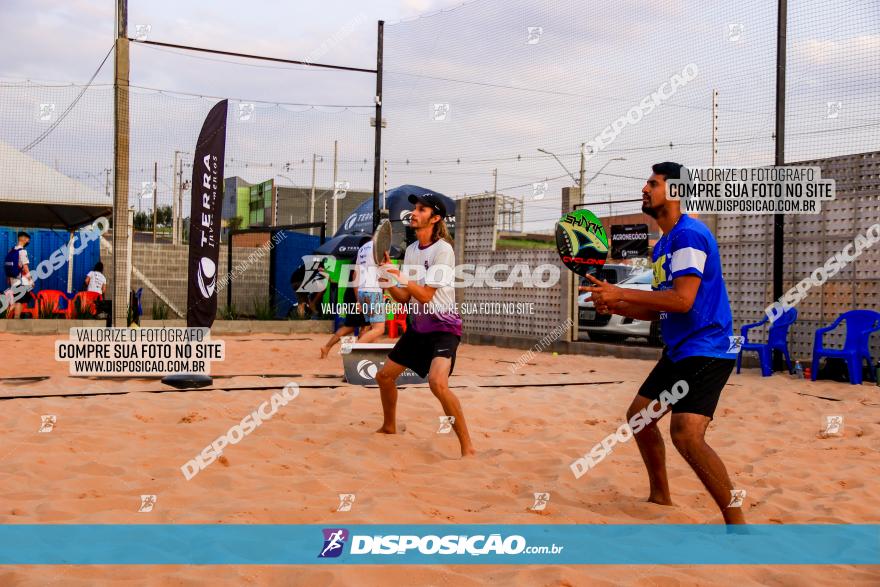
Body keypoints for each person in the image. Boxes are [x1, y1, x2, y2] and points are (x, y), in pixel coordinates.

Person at [583, 162, 744, 524]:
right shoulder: (663, 246)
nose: (644, 188)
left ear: (674, 192)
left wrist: (622, 291)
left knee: (686, 435)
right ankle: (660, 496)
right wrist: (617, 303)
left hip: (708, 349)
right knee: (640, 417)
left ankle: (738, 526)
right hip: (679, 349)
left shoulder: (689, 235)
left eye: (652, 183)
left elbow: (683, 300)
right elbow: (663, 311)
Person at [375, 193, 475, 457]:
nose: (414, 213)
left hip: (444, 329)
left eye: (421, 209)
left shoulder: (444, 250)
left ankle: (468, 447)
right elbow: (406, 297)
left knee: (437, 384)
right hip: (419, 329)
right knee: (384, 377)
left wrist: (399, 277)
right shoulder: (410, 251)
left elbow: (427, 295)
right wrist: (386, 280)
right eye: (414, 208)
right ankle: (388, 426)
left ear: (436, 218)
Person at [351, 239, 386, 343]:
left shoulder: (362, 249)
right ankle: (353, 349)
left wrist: (358, 299)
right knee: (379, 329)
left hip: (362, 291)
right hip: (373, 291)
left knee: (371, 327)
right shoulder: (378, 247)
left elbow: (355, 275)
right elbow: (383, 271)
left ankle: (369, 356)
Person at [4, 231, 32, 318]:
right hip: (19, 281)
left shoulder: (12, 250)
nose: (29, 241)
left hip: (12, 280)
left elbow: (9, 265)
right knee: (19, 300)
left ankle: (5, 318)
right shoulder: (22, 251)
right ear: (24, 239)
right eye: (28, 240)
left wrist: (8, 277)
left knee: (15, 301)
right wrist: (30, 279)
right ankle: (15, 320)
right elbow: (25, 267)